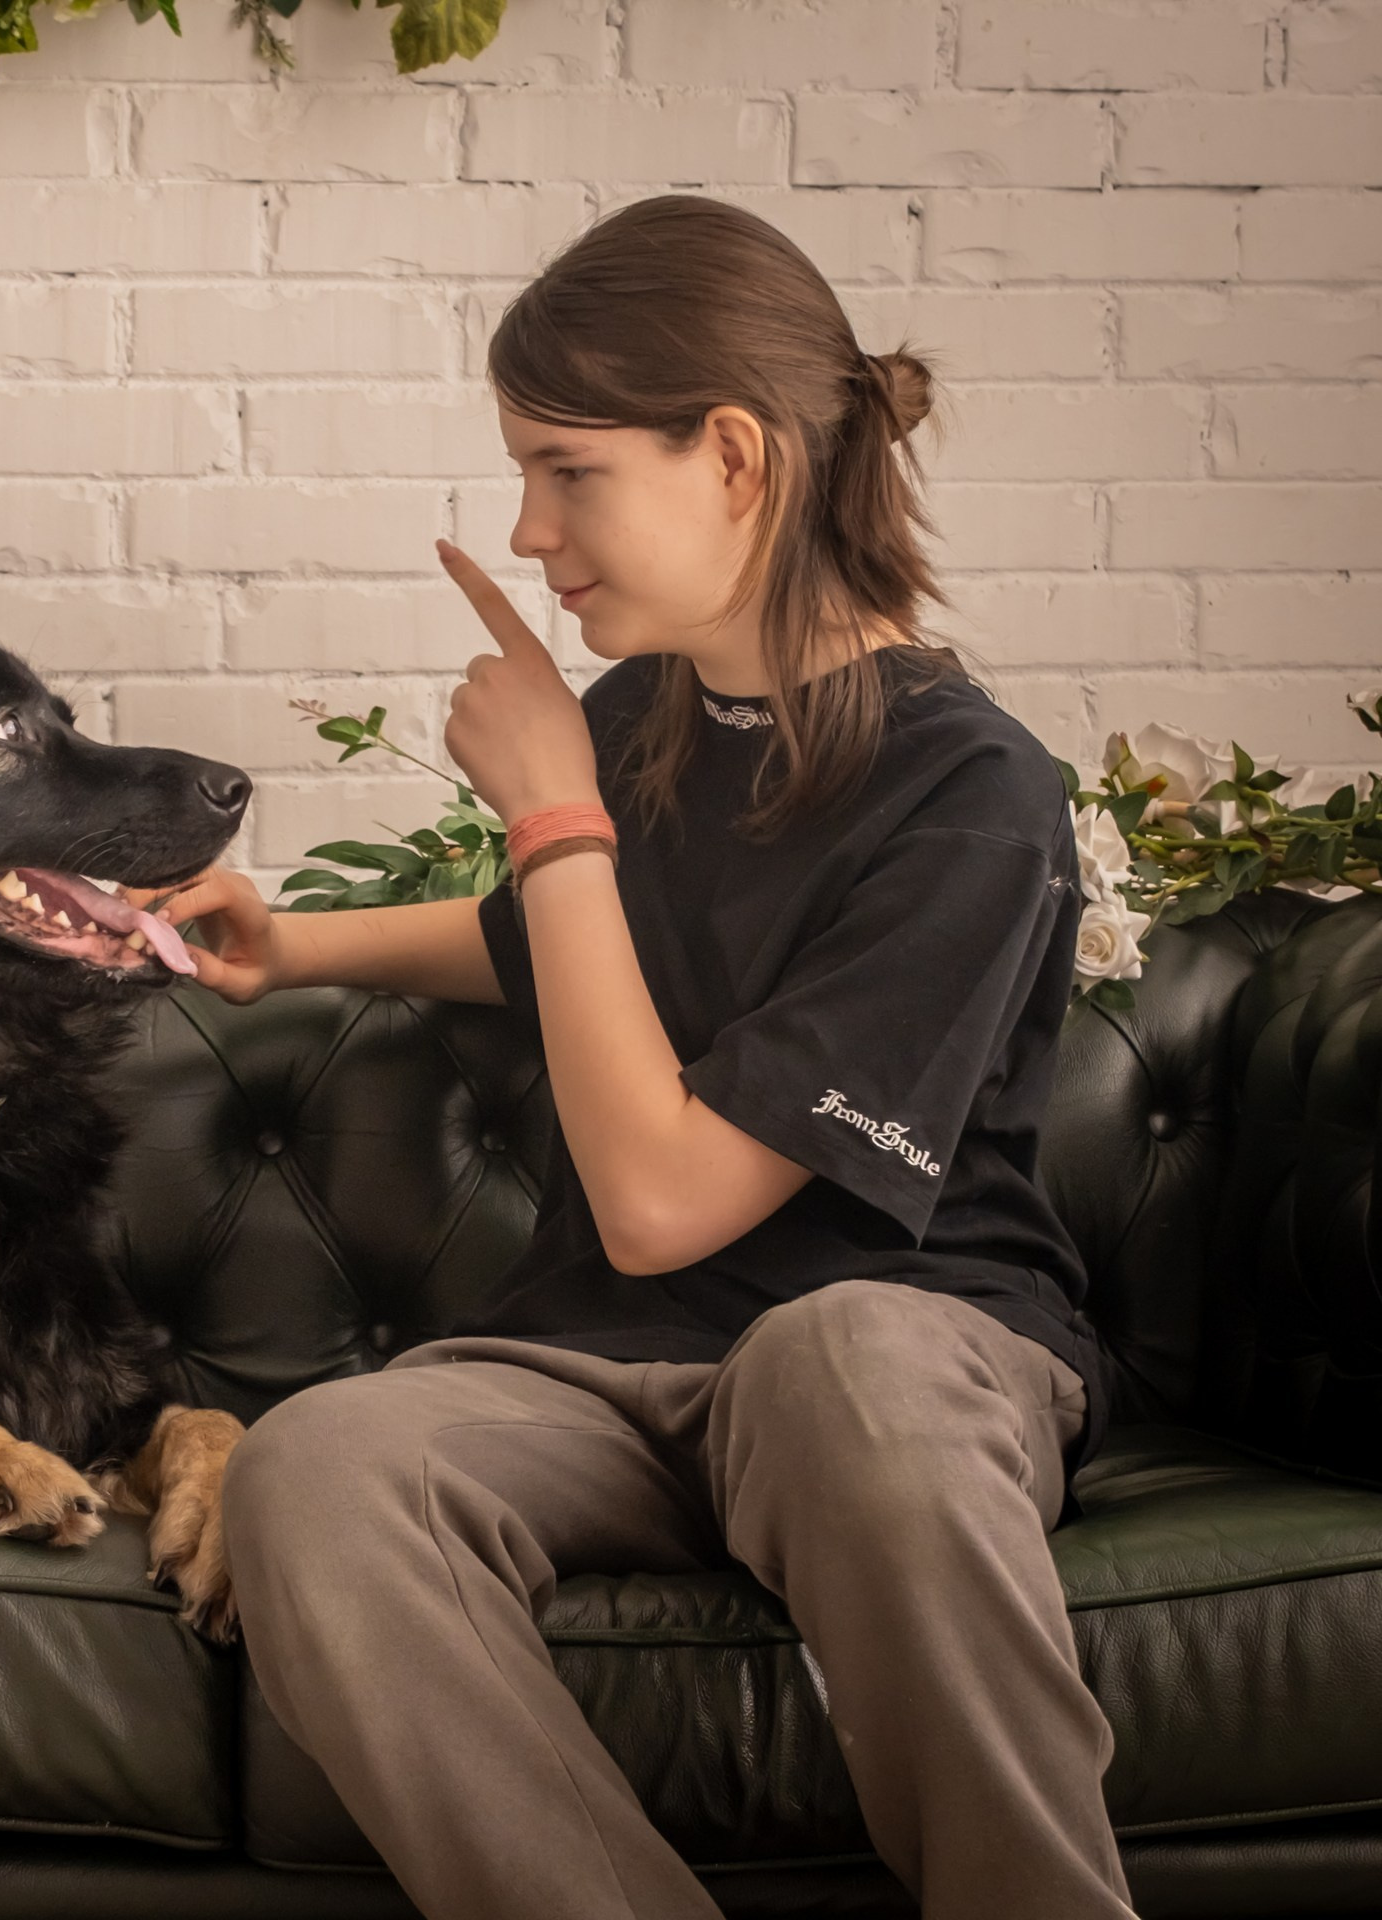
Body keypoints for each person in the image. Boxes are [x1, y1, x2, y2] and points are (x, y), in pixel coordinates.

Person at [141, 194, 1138, 1920]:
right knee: (321, 1462)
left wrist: (545, 809)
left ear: (735, 458)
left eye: (568, 470)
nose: (529, 531)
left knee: (835, 1367)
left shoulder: (972, 796)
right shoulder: (647, 721)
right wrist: (291, 945)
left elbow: (669, 1198)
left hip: (897, 1350)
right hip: (606, 1378)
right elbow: (574, 951)